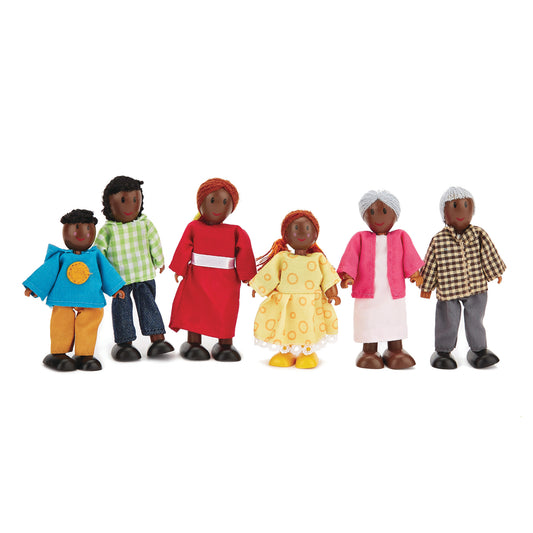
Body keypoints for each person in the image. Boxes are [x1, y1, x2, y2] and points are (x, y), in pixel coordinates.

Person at [23, 209, 125, 371]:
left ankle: (84, 353)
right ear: (66, 230)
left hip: (90, 297)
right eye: (76, 228)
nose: (82, 233)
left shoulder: (95, 255)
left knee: (91, 318)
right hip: (63, 296)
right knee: (62, 320)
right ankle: (58, 353)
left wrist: (115, 288)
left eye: (88, 228)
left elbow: (107, 272)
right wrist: (34, 287)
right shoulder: (61, 256)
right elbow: (47, 272)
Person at [169, 178, 256, 362]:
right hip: (197, 279)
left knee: (225, 311)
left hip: (226, 282)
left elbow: (244, 253)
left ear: (231, 207)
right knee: (195, 308)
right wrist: (179, 268)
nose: (218, 206)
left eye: (224, 202)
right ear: (201, 203)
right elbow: (184, 247)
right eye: (212, 200)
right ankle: (193, 342)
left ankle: (225, 344)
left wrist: (248, 276)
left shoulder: (236, 231)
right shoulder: (193, 227)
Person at [418, 186, 506, 369]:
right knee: (447, 319)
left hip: (476, 286)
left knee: (475, 319)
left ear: (472, 209)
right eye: (454, 206)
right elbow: (431, 263)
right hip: (448, 289)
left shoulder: (479, 234)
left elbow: (488, 254)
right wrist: (426, 286)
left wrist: (496, 272)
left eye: (466, 205)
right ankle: (443, 351)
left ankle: (479, 349)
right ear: (444, 214)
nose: (461, 211)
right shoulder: (439, 239)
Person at [338, 190, 423, 369]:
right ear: (364, 215)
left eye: (384, 211)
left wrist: (415, 274)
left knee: (394, 319)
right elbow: (351, 258)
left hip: (393, 293)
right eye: (372, 212)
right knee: (369, 320)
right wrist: (348, 276)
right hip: (367, 293)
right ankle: (369, 351)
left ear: (395, 215)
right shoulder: (359, 238)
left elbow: (409, 256)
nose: (378, 217)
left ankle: (395, 349)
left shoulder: (401, 236)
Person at [96, 176, 174, 361]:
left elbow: (154, 242)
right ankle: (124, 343)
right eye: (123, 200)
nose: (130, 205)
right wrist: (102, 277)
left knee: (149, 304)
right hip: (119, 280)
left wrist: (159, 261)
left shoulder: (145, 224)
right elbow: (99, 254)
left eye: (134, 199)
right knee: (122, 310)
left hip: (144, 274)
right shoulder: (108, 230)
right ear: (109, 204)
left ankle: (157, 338)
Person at [250, 210, 341, 369]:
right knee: (285, 326)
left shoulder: (318, 259)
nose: (301, 233)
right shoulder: (282, 257)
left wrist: (332, 293)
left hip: (311, 304)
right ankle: (285, 352)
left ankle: (307, 352)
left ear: (315, 235)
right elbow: (270, 274)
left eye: (307, 228)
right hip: (286, 303)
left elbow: (328, 277)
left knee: (309, 326)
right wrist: (258, 287)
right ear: (286, 235)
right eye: (296, 229)